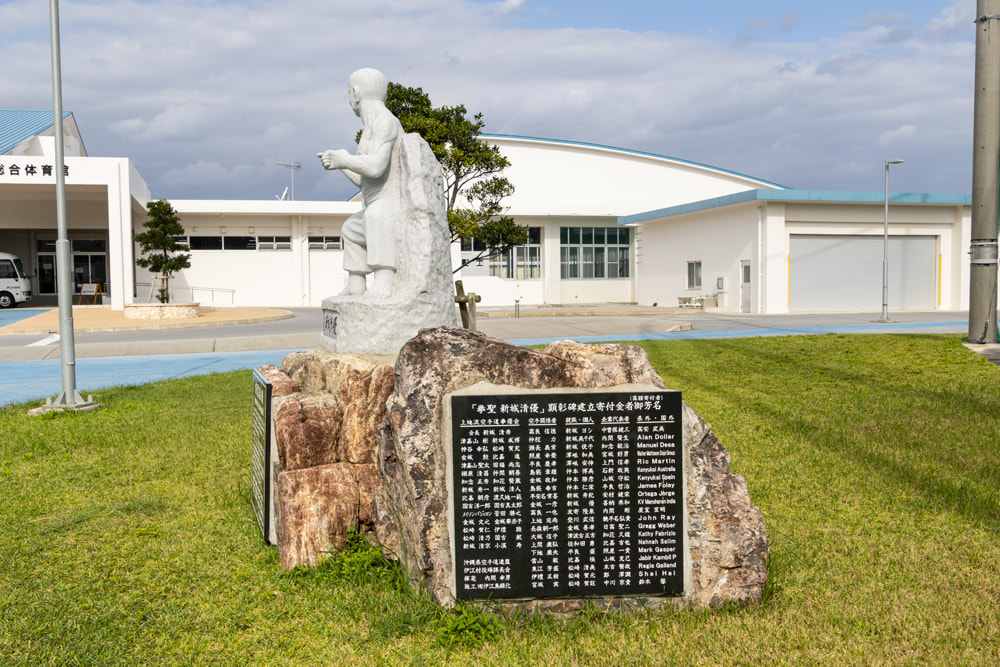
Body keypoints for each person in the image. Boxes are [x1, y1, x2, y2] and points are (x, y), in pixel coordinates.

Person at [318, 68, 403, 299]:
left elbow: (376, 168)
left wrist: (346, 158)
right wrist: (341, 163)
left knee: (375, 216)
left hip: (392, 203)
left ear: (355, 93)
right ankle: (356, 284)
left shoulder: (385, 122)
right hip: (375, 201)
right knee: (351, 228)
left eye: (348, 92)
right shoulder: (369, 129)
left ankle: (385, 278)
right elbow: (364, 181)